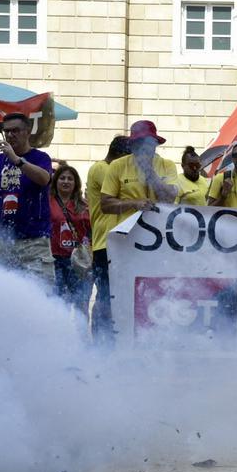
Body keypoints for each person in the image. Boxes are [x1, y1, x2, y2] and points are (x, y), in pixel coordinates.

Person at [0, 113, 55, 284]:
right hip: (3, 239)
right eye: (6, 131)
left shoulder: (40, 157)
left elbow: (44, 179)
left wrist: (16, 160)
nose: (9, 135)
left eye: (15, 131)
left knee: (40, 294)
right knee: (1, 294)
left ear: (28, 132)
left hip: (34, 241)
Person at [86, 135, 130, 345]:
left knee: (117, 295)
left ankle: (111, 339)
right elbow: (127, 192)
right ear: (121, 155)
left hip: (120, 244)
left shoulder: (112, 169)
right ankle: (101, 341)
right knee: (106, 295)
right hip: (105, 243)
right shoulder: (102, 169)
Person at [101, 120, 178, 225]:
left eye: (148, 142)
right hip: (128, 234)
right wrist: (133, 203)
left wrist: (149, 172)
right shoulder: (118, 165)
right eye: (139, 142)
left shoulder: (168, 165)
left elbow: (170, 199)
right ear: (132, 145)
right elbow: (105, 205)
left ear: (155, 144)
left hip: (159, 232)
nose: (144, 146)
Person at [48, 165, 92, 315]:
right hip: (55, 260)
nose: (66, 181)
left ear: (75, 183)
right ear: (55, 181)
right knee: (58, 304)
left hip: (78, 262)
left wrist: (86, 244)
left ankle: (80, 337)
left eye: (70, 179)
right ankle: (60, 336)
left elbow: (91, 230)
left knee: (81, 304)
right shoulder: (47, 202)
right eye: (62, 178)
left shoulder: (84, 205)